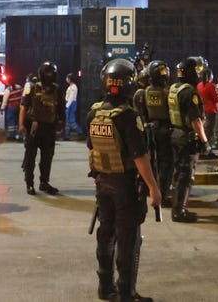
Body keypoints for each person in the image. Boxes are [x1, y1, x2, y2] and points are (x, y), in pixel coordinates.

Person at [88, 58, 161, 302]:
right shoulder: (129, 116)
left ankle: (105, 288)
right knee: (128, 239)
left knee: (106, 234)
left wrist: (99, 175)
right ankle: (126, 293)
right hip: (125, 186)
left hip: (102, 182)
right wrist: (153, 187)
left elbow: (92, 149)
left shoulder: (94, 113)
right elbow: (140, 156)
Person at [168, 56, 209, 222]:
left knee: (178, 174)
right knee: (186, 177)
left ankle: (177, 208)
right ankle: (179, 212)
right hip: (187, 138)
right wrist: (205, 141)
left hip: (176, 135)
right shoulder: (190, 92)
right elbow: (196, 120)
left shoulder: (174, 88)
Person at [19, 61, 65, 195]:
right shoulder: (32, 88)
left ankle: (44, 182)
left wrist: (61, 125)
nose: (49, 75)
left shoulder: (57, 89)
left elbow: (61, 108)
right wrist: (21, 124)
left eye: (51, 72)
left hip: (49, 128)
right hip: (33, 127)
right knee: (30, 157)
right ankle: (29, 183)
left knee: (47, 158)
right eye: (47, 72)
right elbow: (24, 106)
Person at [138, 60, 173, 207]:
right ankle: (163, 194)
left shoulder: (143, 93)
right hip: (165, 130)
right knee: (166, 163)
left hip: (148, 130)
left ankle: (146, 189)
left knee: (150, 162)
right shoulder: (167, 93)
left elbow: (141, 113)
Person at [197, 66, 218, 159]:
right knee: (209, 131)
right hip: (210, 110)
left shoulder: (199, 85)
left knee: (203, 130)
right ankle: (207, 151)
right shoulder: (211, 85)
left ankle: (202, 149)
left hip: (202, 110)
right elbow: (216, 99)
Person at [63, 73, 85, 140]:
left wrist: (67, 105)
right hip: (69, 103)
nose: (66, 79)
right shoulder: (70, 86)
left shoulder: (73, 87)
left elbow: (71, 97)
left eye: (67, 78)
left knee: (71, 121)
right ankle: (66, 136)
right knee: (67, 121)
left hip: (71, 104)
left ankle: (81, 133)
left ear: (70, 79)